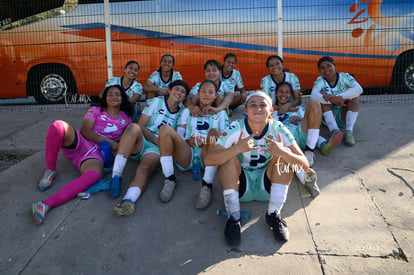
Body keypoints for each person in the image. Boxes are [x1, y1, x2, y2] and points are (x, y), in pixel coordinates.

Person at [204, 91, 311, 247]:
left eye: (263, 105)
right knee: (227, 158)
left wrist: (282, 152)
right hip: (240, 185)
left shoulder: (278, 128)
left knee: (285, 156)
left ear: (271, 110)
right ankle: (233, 218)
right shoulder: (236, 127)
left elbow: (304, 165)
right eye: (252, 105)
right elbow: (209, 159)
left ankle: (274, 215)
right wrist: (236, 149)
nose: (258, 108)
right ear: (245, 111)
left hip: (267, 186)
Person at [32, 85, 134, 225]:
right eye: (110, 94)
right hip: (82, 142)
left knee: (94, 175)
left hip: (96, 155)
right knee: (57, 126)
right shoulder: (96, 110)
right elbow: (85, 131)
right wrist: (110, 142)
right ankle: (50, 170)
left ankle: (44, 205)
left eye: (117, 94)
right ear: (104, 97)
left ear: (122, 98)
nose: (113, 97)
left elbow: (127, 139)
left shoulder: (126, 118)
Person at [110, 80, 189, 217]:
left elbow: (178, 139)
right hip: (144, 140)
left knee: (145, 169)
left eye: (183, 92)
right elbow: (141, 125)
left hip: (158, 149)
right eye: (176, 89)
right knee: (133, 127)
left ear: (184, 97)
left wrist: (162, 144)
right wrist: (156, 140)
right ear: (169, 90)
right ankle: (116, 176)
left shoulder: (183, 112)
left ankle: (129, 200)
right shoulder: (156, 102)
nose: (179, 93)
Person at [158, 80, 230, 209]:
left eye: (210, 92)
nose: (206, 95)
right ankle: (169, 178)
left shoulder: (221, 114)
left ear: (215, 96)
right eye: (203, 91)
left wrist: (208, 142)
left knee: (214, 132)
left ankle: (207, 184)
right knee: (164, 129)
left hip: (207, 156)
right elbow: (179, 134)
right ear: (198, 93)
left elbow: (226, 139)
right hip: (187, 154)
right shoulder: (187, 112)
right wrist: (187, 140)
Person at [274, 82, 342, 169]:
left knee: (315, 104)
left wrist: (300, 119)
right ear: (276, 93)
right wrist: (284, 109)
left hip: (300, 134)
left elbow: (313, 123)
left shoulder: (299, 109)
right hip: (284, 138)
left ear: (290, 95)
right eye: (281, 91)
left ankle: (309, 151)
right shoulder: (272, 111)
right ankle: (322, 144)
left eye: (287, 92)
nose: (284, 94)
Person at [310, 56, 363, 146]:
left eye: (328, 66)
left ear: (335, 66)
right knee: (321, 99)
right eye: (322, 68)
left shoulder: (344, 76)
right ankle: (334, 131)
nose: (326, 69)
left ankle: (349, 131)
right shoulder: (320, 80)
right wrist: (332, 100)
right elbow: (313, 96)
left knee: (355, 97)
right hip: (328, 117)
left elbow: (359, 89)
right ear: (320, 71)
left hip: (343, 115)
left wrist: (339, 97)